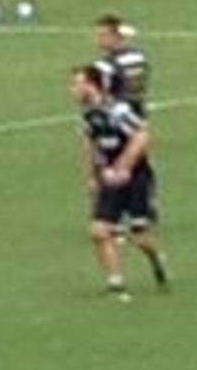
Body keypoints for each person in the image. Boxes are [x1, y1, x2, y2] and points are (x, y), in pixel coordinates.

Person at [70, 65, 169, 301]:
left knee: (139, 236)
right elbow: (91, 145)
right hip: (109, 179)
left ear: (91, 85)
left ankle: (155, 257)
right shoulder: (87, 115)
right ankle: (116, 282)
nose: (72, 89)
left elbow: (141, 136)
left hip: (136, 178)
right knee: (99, 231)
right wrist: (92, 176)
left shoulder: (118, 110)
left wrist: (123, 167)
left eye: (76, 83)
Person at [90, 13, 150, 115]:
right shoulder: (138, 56)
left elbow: (99, 97)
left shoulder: (105, 66)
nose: (97, 40)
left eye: (102, 35)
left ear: (115, 36)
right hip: (138, 113)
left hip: (115, 118)